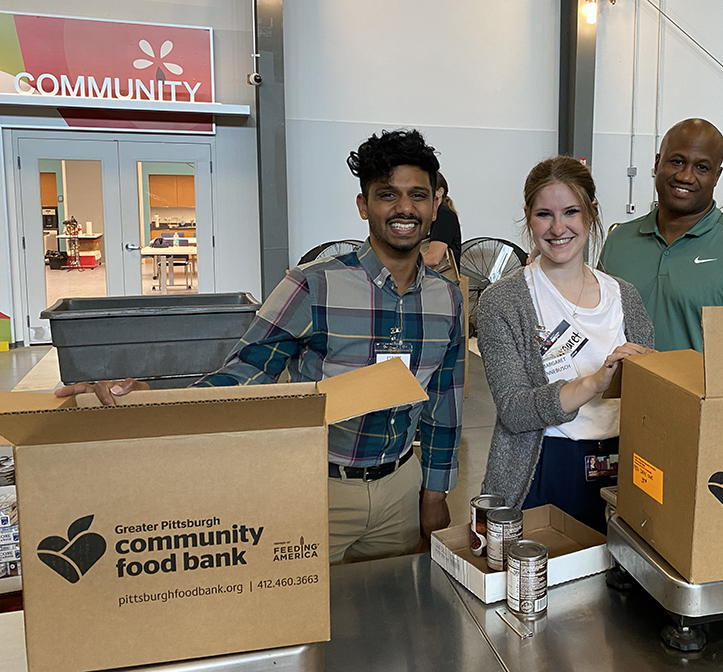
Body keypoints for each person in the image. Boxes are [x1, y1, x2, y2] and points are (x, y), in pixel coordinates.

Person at [56, 129, 465, 564]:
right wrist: (156, 401)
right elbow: (245, 374)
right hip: (317, 486)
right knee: (303, 622)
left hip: (402, 488)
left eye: (417, 195)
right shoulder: (313, 285)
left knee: (391, 614)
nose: (404, 208)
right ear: (364, 205)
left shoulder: (447, 299)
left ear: (435, 204)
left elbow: (443, 404)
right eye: (388, 195)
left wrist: (434, 493)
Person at [478, 156, 654, 533]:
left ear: (590, 213)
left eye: (571, 211)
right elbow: (514, 409)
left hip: (623, 465)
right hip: (543, 466)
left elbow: (649, 402)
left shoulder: (624, 296)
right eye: (544, 214)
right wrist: (594, 383)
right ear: (528, 216)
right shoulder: (503, 301)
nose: (558, 228)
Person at [600, 118, 723, 353]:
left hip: (701, 391)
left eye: (702, 168)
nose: (686, 177)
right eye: (677, 162)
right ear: (657, 163)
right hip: (624, 389)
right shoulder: (619, 241)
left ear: (716, 176)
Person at [423, 172, 462, 272]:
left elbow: (433, 258)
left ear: (440, 192)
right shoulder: (427, 216)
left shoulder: (444, 216)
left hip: (440, 283)